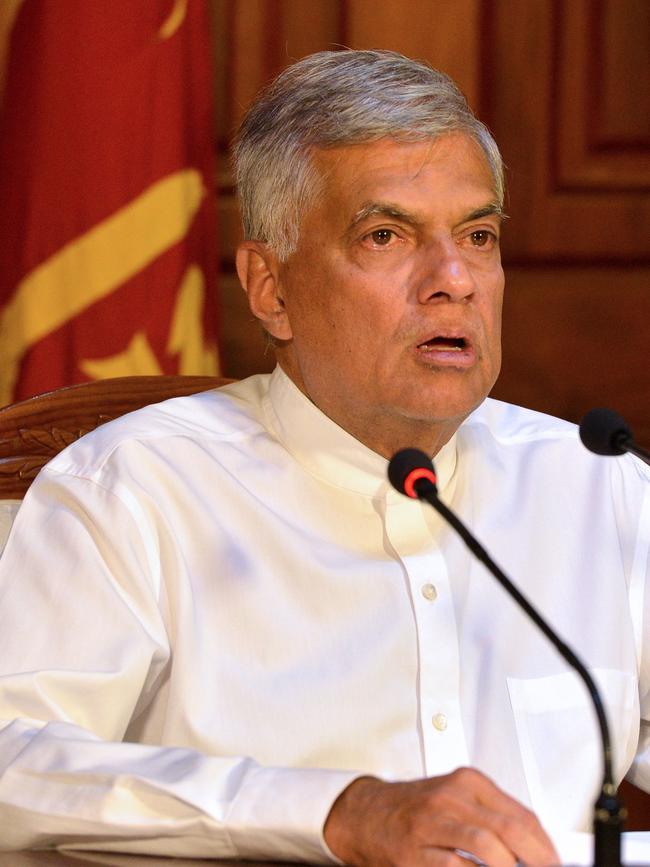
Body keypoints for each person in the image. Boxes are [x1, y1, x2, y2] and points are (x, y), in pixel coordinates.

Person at [0, 49, 647, 866]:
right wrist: (333, 811)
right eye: (386, 235)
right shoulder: (133, 491)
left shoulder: (596, 482)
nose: (455, 280)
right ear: (271, 289)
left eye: (478, 235)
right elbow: (13, 765)